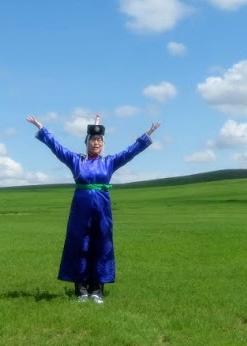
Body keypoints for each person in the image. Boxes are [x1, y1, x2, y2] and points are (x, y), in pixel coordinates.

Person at [26, 114, 160, 303]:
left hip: (102, 211)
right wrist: (42, 129)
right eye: (93, 140)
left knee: (101, 245)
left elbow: (130, 152)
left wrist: (146, 135)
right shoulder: (76, 161)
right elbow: (57, 148)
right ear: (87, 142)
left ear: (103, 144)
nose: (96, 143)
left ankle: (96, 290)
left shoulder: (109, 162)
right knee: (80, 245)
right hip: (80, 211)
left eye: (99, 140)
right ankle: (81, 290)